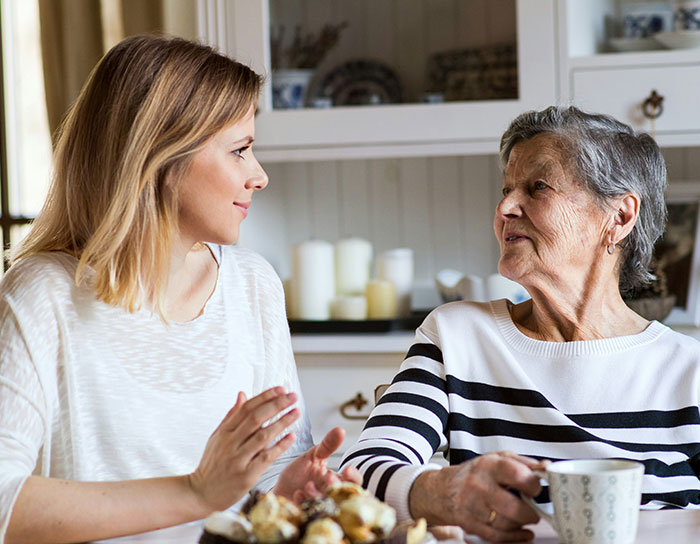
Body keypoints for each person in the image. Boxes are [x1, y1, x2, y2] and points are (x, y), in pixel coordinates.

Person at [0, 35, 357, 544]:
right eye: (239, 151)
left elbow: (259, 486)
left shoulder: (254, 285)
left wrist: (286, 491)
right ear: (159, 160)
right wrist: (194, 492)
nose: (259, 176)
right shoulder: (41, 295)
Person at [339, 105, 700, 542]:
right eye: (507, 189)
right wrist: (439, 490)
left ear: (619, 217)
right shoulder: (458, 337)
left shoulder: (688, 370)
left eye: (537, 187)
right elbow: (359, 473)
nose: (506, 206)